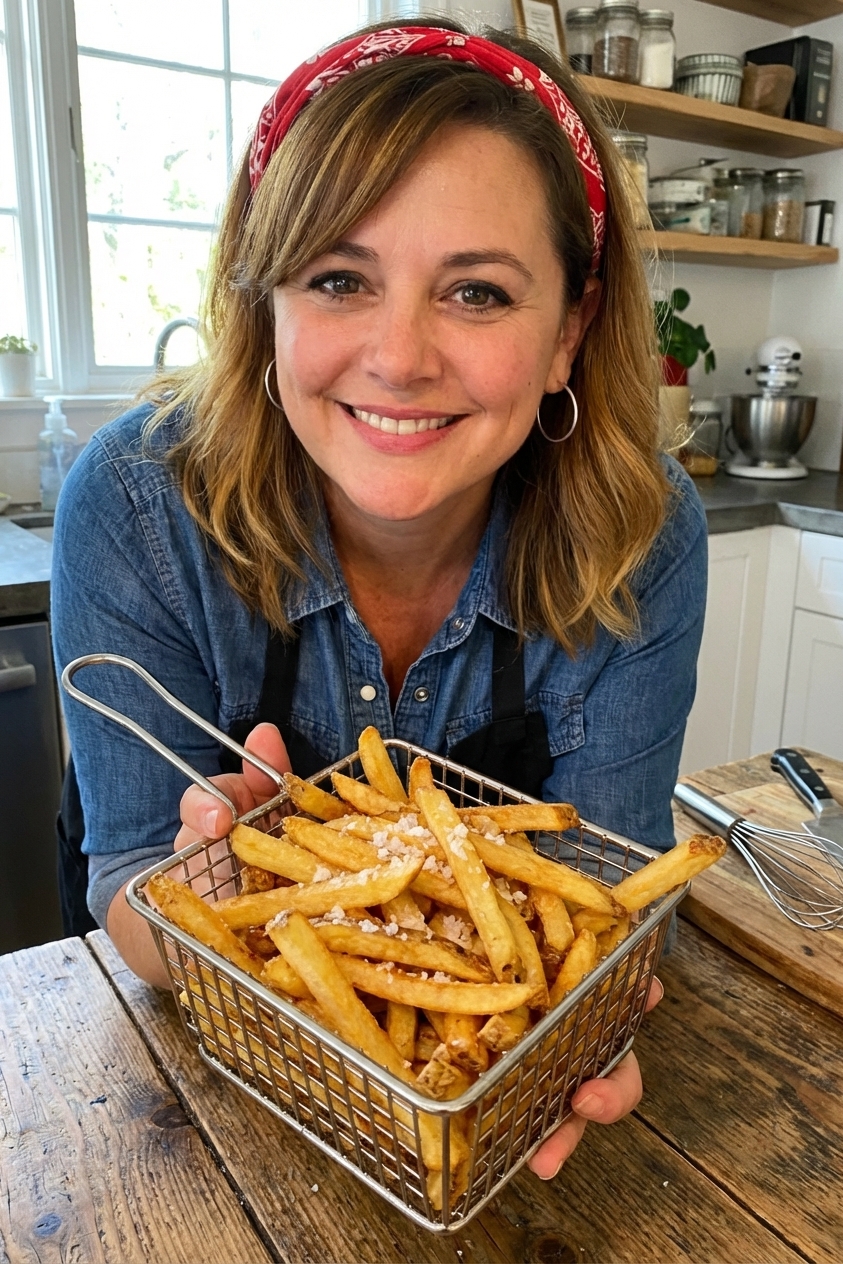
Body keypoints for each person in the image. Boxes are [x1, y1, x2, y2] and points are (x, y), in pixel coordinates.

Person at [52, 19, 706, 1181]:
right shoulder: (138, 503)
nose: (400, 357)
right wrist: (224, 897)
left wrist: (571, 1038)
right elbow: (130, 887)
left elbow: (606, 899)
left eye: (478, 292)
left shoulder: (642, 532)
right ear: (264, 301)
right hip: (197, 1117)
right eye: (339, 279)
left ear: (570, 330)